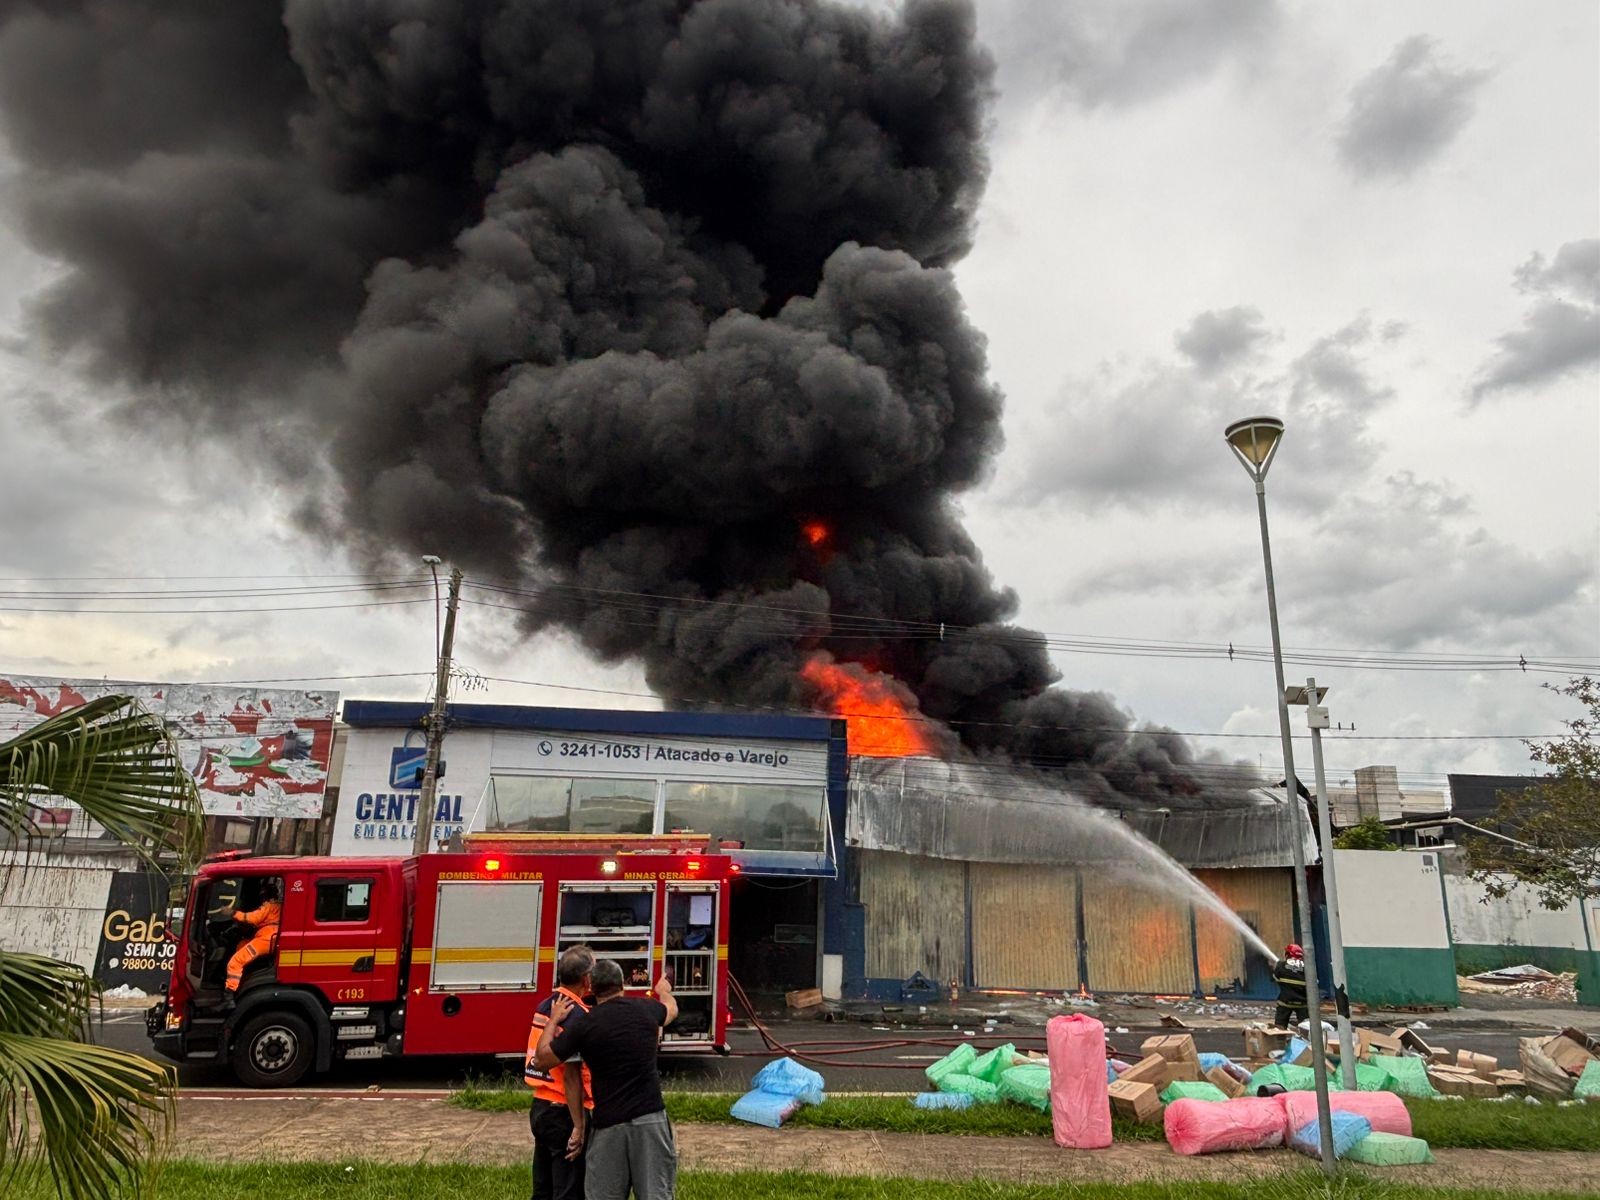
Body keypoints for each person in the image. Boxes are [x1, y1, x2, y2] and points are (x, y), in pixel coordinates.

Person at [534, 959, 678, 1200]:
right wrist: (663, 991)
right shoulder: (646, 1009)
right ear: (622, 984)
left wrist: (553, 1019)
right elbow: (671, 1011)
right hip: (650, 1122)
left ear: (590, 986)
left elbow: (543, 1059)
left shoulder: (584, 1024)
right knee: (656, 1194)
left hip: (609, 1127)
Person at [525, 947, 596, 1200]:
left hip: (540, 1107)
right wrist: (579, 1126)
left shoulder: (546, 1005)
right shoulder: (578, 1015)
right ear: (587, 979)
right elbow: (571, 1075)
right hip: (564, 1112)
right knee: (568, 1190)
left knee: (542, 1189)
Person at [224, 878, 281, 1001]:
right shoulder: (279, 907)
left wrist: (232, 913)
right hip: (269, 938)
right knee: (241, 945)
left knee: (235, 962)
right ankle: (241, 977)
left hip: (265, 939)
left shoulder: (268, 906)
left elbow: (253, 918)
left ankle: (229, 995)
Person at [1274, 942, 1309, 1028]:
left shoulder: (1281, 965)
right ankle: (1306, 1039)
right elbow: (1315, 983)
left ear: (1288, 954)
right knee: (1306, 1027)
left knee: (1280, 1026)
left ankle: (1279, 1037)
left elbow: (1276, 978)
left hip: (1285, 1002)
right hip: (1302, 1004)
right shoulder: (1307, 967)